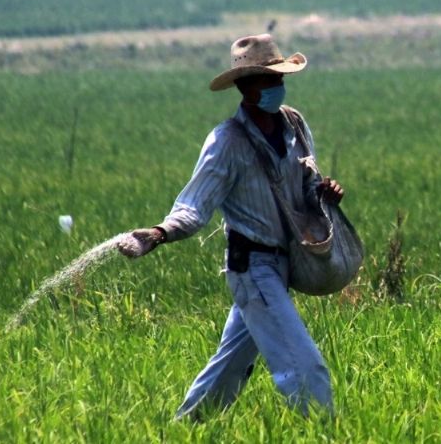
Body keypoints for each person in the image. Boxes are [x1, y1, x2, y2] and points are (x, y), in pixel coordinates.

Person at [117, 33, 344, 420]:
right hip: (253, 268)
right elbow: (195, 205)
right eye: (267, 81)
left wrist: (324, 193)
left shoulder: (294, 125)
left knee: (230, 366)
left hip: (285, 262)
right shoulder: (226, 142)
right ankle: (324, 429)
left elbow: (307, 185)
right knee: (305, 367)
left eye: (280, 79)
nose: (277, 87)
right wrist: (159, 234)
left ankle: (186, 427)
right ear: (245, 87)